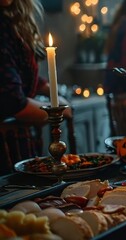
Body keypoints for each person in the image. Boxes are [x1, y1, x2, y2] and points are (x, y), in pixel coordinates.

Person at [0, 0, 71, 173]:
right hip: (6, 151)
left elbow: (17, 73)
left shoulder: (10, 21)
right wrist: (57, 110)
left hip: (21, 141)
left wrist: (47, 87)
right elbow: (15, 104)